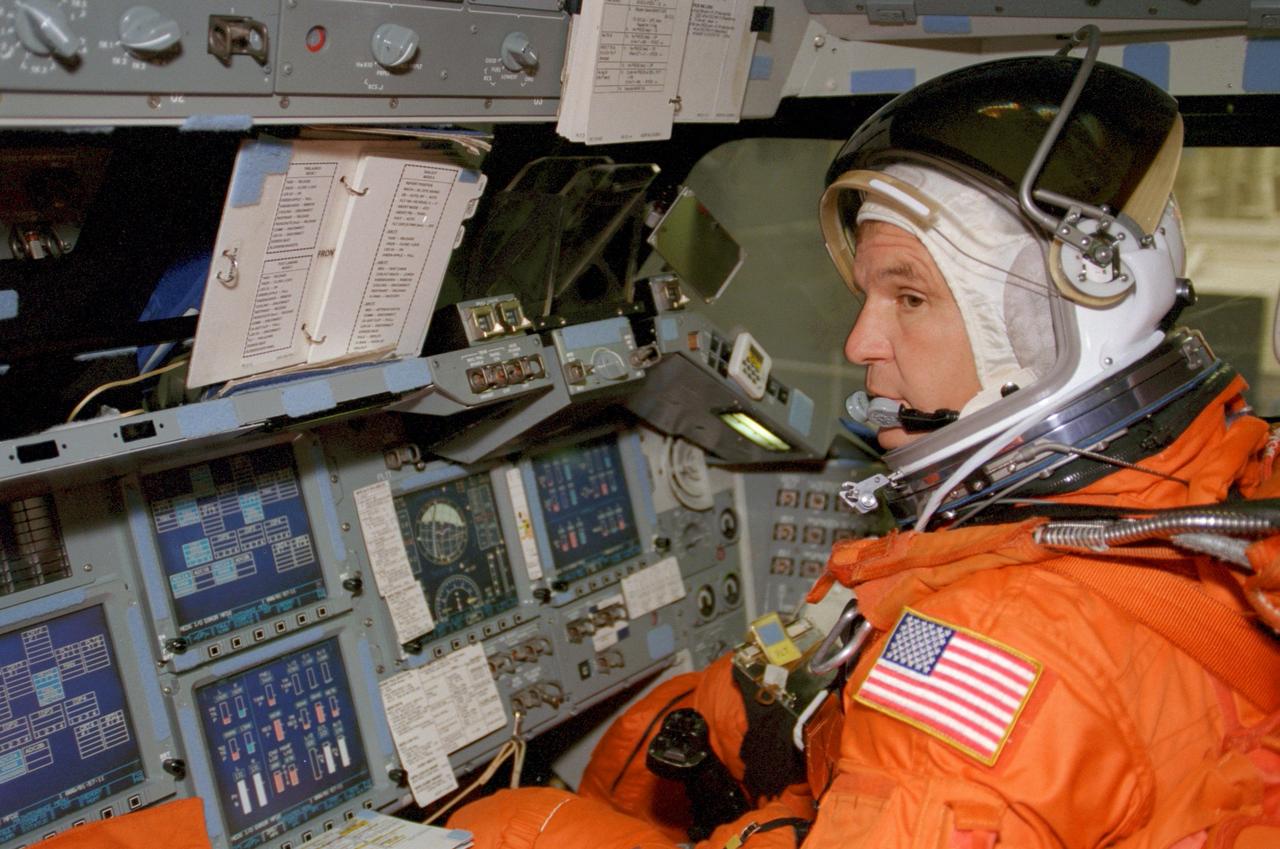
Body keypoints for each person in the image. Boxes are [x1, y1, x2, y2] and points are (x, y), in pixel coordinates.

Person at [449, 32, 1280, 849]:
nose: (858, 343)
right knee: (702, 710)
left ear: (1045, 335)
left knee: (506, 825)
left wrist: (763, 829)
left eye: (908, 297)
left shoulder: (987, 649)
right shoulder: (1225, 478)